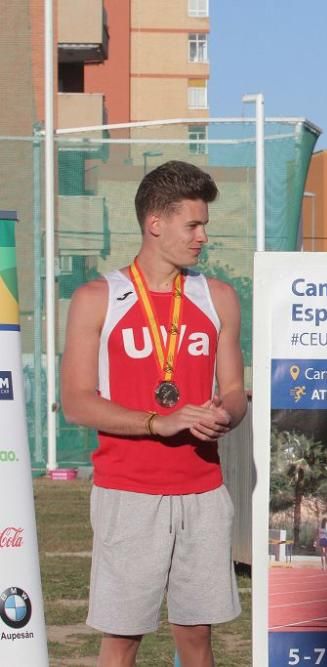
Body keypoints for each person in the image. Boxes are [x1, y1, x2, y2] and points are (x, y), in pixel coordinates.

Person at [61, 160, 246, 667]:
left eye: (204, 223)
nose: (203, 236)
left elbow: (234, 391)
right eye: (193, 224)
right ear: (155, 223)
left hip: (202, 490)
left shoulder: (220, 298)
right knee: (122, 640)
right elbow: (77, 401)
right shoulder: (97, 297)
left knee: (196, 638)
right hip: (129, 492)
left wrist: (224, 415)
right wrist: (155, 422)